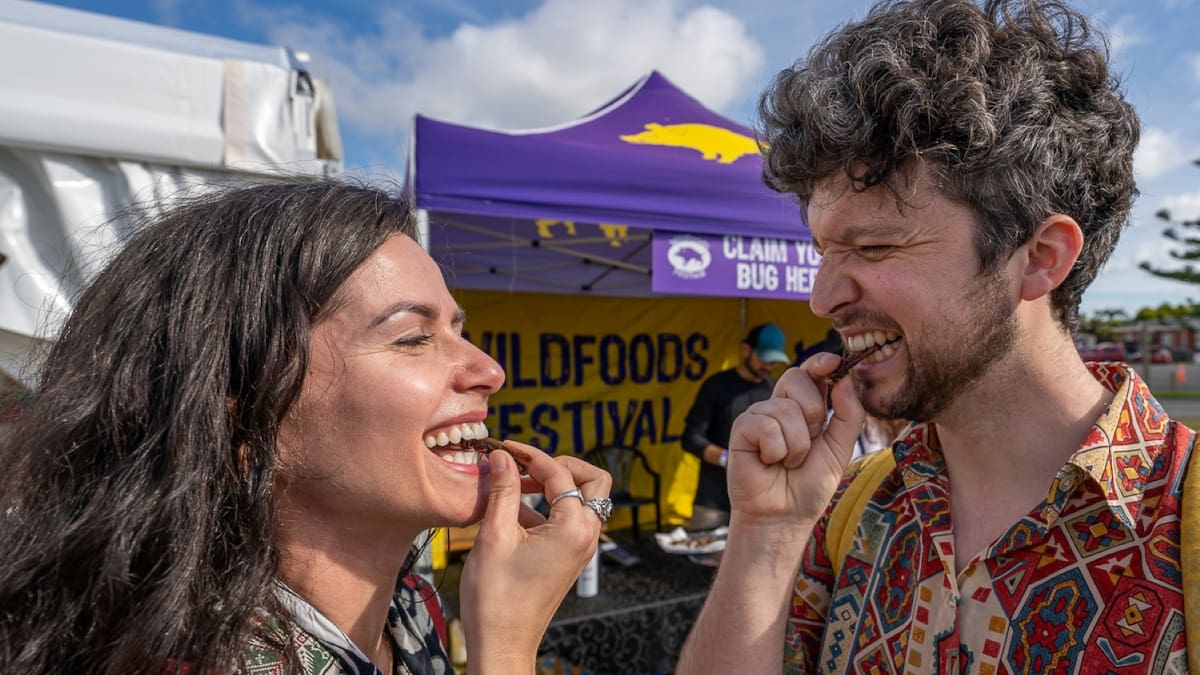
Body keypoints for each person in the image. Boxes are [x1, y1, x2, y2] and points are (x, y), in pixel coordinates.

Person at [677, 0, 1198, 672]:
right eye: (823, 251)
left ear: (1040, 257)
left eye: (875, 245)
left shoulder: (1180, 519)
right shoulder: (849, 507)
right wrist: (767, 534)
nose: (822, 296)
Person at [0, 179, 613, 675]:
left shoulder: (410, 609)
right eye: (412, 337)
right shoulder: (185, 661)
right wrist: (505, 648)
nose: (489, 369)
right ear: (237, 419)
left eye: (458, 328)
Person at [681, 322, 790, 530]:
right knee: (702, 556)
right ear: (746, 350)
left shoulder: (775, 389)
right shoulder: (716, 386)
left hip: (761, 497)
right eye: (765, 359)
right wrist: (727, 459)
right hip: (714, 500)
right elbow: (691, 438)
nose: (769, 366)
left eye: (774, 361)